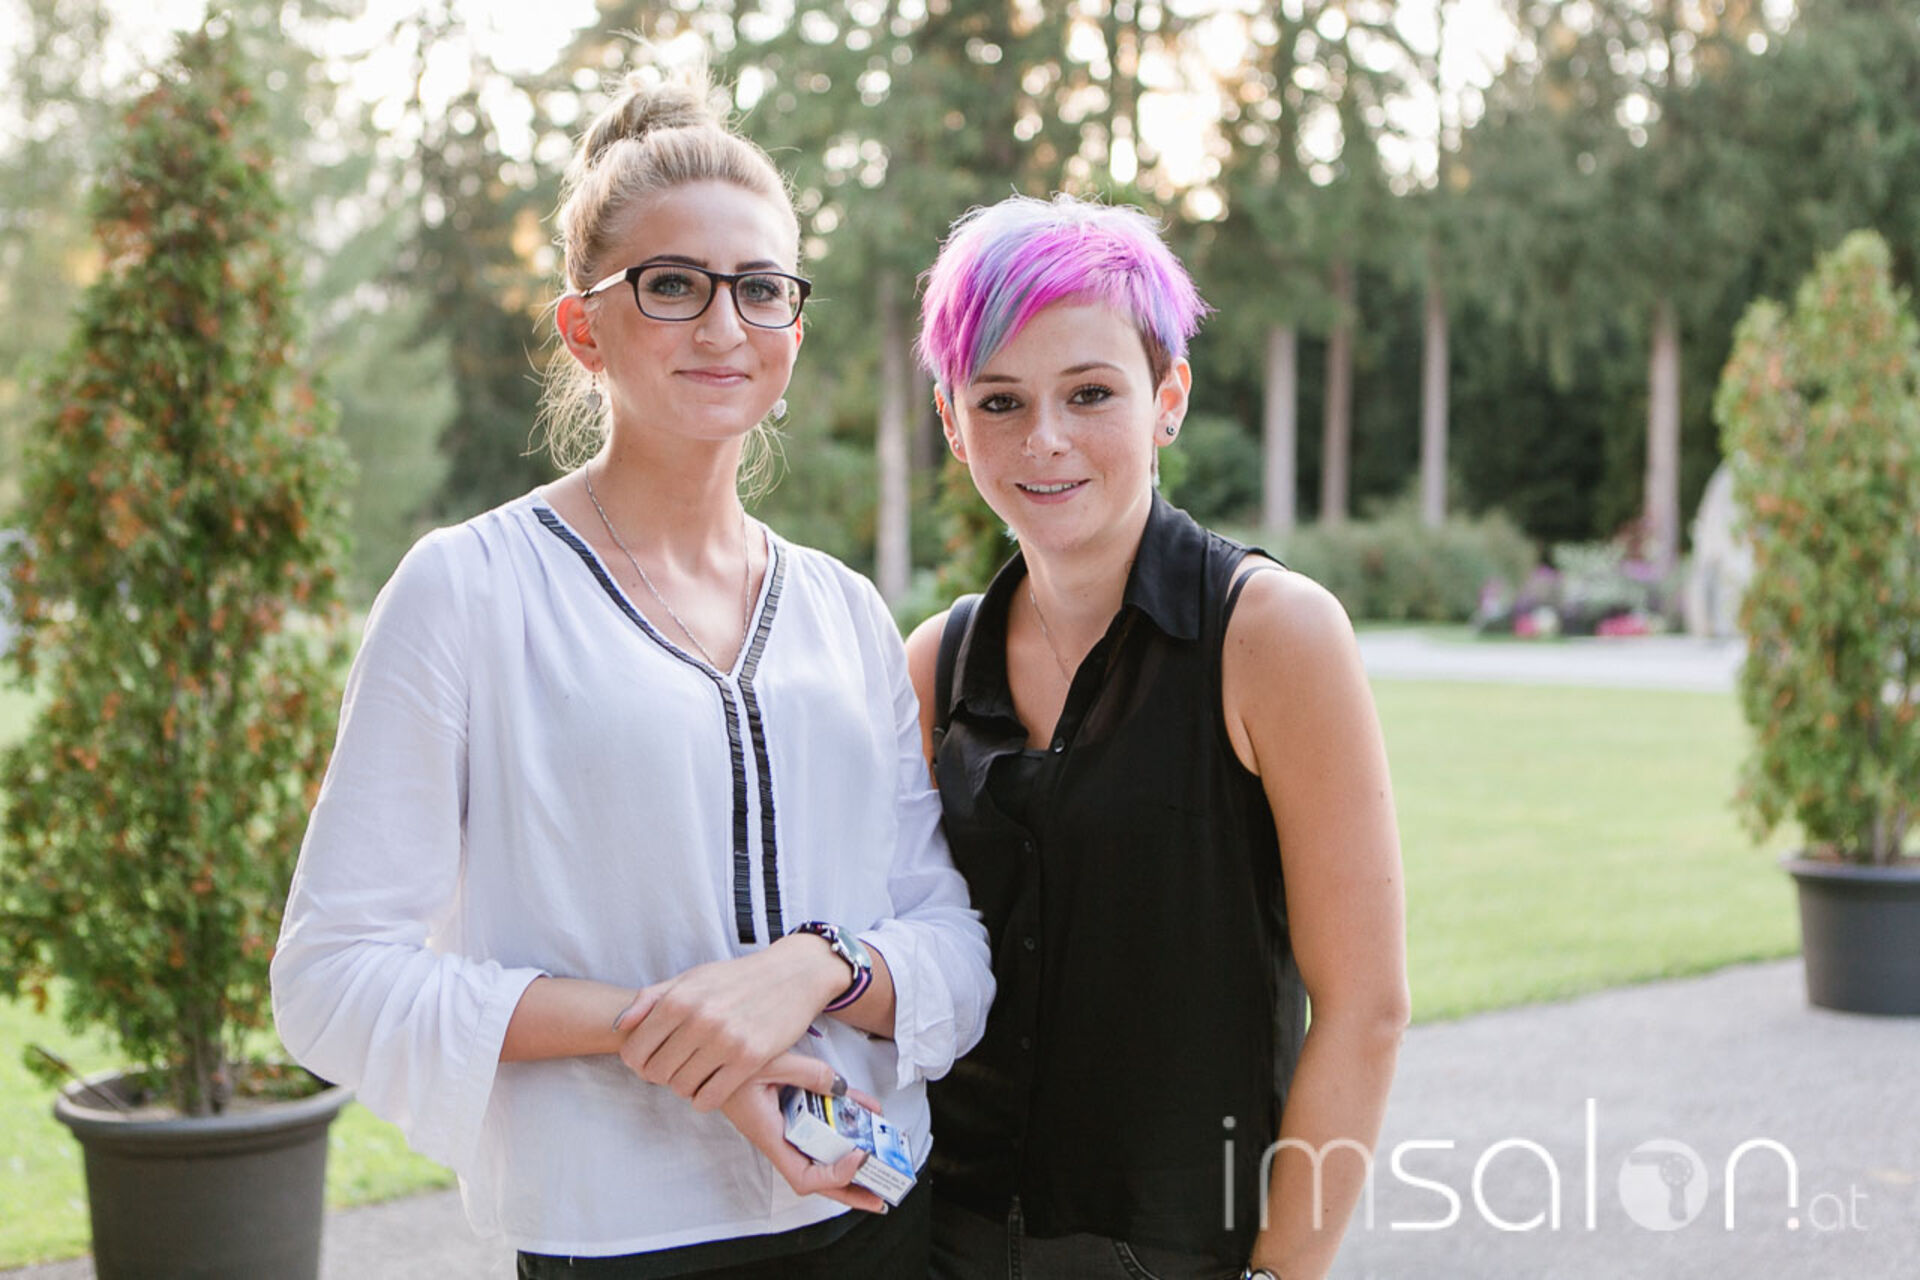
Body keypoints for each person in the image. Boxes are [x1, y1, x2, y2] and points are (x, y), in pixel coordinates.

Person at [270, 66, 993, 1279]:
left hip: (875, 1214)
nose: (723, 326)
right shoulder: (469, 590)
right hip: (622, 1239)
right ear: (582, 326)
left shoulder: (845, 611)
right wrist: (667, 1030)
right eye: (672, 285)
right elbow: (330, 977)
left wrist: (814, 966)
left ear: (794, 327)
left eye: (759, 287)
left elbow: (950, 947)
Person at [905, 195, 1410, 1280]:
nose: (1045, 438)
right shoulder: (934, 665)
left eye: (1090, 392)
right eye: (1000, 400)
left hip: (1183, 1254)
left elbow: (1366, 1007)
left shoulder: (1274, 636)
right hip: (941, 1241)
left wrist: (1281, 1272)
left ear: (1167, 398)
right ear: (952, 421)